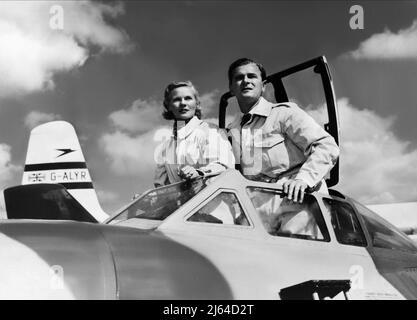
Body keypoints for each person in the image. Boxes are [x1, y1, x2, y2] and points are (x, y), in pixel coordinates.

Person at [227, 58, 339, 203]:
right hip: (257, 209)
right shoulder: (231, 131)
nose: (246, 81)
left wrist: (303, 180)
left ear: (263, 86)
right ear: (231, 88)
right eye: (239, 77)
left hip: (298, 201)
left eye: (252, 76)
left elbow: (327, 146)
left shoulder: (284, 113)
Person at [154, 81, 235, 187]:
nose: (183, 103)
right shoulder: (165, 147)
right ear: (169, 106)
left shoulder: (211, 131)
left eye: (188, 98)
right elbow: (161, 186)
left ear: (197, 104)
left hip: (212, 199)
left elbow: (223, 166)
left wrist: (199, 173)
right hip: (186, 203)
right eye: (177, 99)